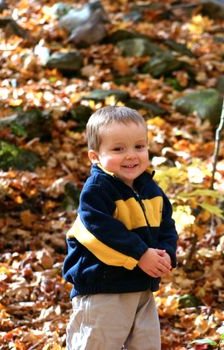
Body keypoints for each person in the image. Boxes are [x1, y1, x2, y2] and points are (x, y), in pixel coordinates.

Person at [63, 106, 178, 350]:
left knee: (146, 345)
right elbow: (100, 230)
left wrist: (166, 253)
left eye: (139, 146)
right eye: (118, 149)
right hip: (102, 288)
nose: (131, 155)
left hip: (141, 287)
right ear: (95, 156)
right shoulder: (98, 189)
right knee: (98, 343)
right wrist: (140, 254)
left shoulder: (151, 190)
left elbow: (166, 226)